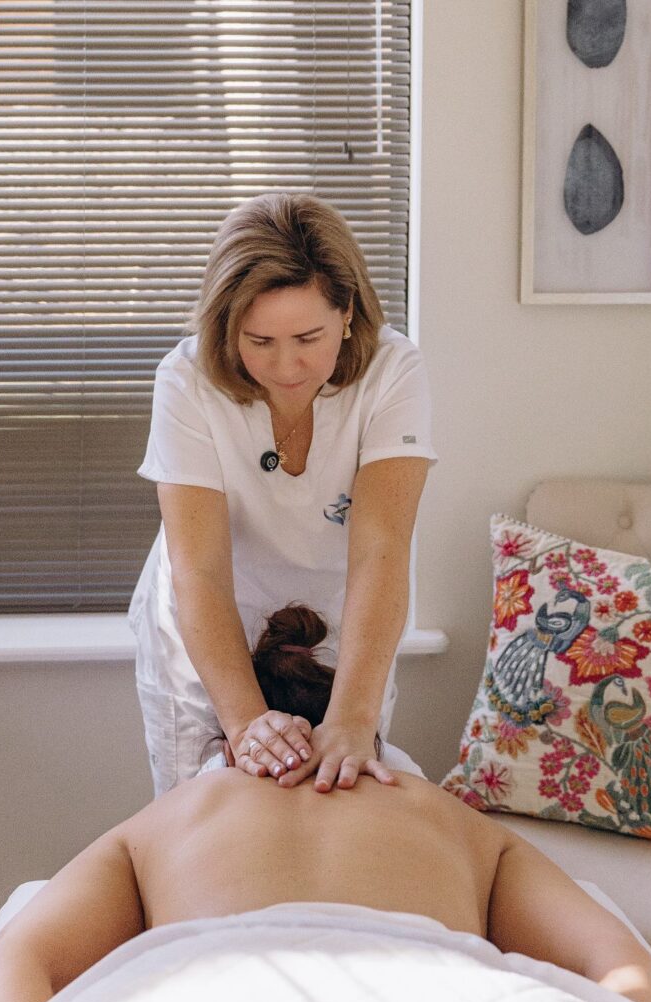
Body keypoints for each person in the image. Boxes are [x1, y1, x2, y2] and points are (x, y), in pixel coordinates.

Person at [0, 608, 651, 1002]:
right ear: (371, 742)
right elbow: (614, 960)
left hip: (211, 993)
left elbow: (19, 957)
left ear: (229, 748)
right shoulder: (448, 815)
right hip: (437, 993)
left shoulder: (174, 815)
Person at [128, 192, 436, 796]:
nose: (286, 366)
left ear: (347, 312)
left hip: (340, 621)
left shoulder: (392, 372)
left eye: (307, 337)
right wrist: (245, 723)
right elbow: (200, 570)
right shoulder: (187, 380)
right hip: (210, 627)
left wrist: (352, 719)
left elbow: (381, 552)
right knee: (212, 809)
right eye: (259, 341)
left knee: (339, 797)